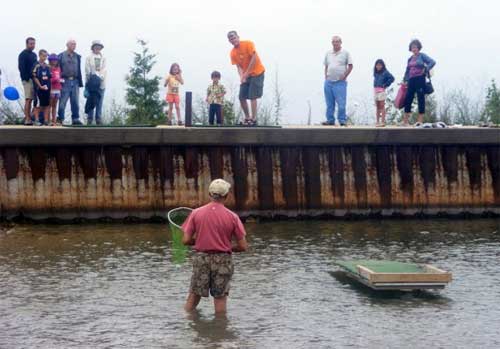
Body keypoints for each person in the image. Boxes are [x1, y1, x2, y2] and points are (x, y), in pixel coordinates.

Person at [182, 179, 248, 314]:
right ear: (226, 196)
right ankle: (220, 331)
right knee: (220, 298)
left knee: (194, 295)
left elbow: (186, 240)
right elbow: (243, 246)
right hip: (223, 259)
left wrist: (200, 240)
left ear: (209, 194)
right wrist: (227, 246)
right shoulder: (233, 217)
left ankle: (188, 324)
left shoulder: (196, 213)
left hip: (202, 259)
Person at [227, 31, 265, 126]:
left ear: (238, 37)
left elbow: (254, 58)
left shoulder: (248, 44)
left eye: (234, 37)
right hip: (246, 75)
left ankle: (253, 118)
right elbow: (238, 66)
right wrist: (241, 77)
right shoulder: (232, 53)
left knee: (253, 96)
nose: (233, 40)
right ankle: (247, 117)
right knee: (241, 96)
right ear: (229, 41)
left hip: (257, 72)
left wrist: (246, 73)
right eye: (231, 39)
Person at [403, 39, 436, 126]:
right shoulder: (410, 59)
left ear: (418, 48)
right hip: (411, 80)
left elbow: (432, 62)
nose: (414, 49)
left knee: (420, 98)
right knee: (408, 98)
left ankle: (420, 121)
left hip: (420, 79)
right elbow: (407, 70)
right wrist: (405, 80)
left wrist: (426, 69)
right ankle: (405, 121)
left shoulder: (422, 56)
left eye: (415, 47)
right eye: (412, 47)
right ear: (410, 48)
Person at [323, 36, 353, 126]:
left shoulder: (345, 53)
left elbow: (350, 66)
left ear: (340, 42)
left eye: (337, 41)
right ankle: (330, 120)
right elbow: (326, 66)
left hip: (340, 83)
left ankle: (342, 120)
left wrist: (345, 75)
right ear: (332, 43)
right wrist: (326, 76)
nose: (335, 43)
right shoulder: (328, 53)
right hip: (329, 82)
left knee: (341, 103)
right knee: (329, 103)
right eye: (334, 41)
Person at [57, 39, 83, 125]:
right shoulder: (61, 56)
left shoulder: (77, 56)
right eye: (72, 44)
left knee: (75, 101)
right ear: (67, 45)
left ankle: (75, 119)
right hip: (65, 80)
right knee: (62, 102)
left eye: (75, 44)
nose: (74, 46)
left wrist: (80, 81)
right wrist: (59, 81)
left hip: (75, 81)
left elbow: (79, 69)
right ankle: (60, 118)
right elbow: (57, 68)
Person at [85, 40, 107, 125]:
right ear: (93, 47)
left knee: (100, 101)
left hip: (101, 83)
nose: (97, 48)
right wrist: (89, 81)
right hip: (92, 83)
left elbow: (104, 69)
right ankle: (89, 119)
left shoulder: (103, 58)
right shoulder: (89, 57)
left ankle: (98, 119)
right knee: (91, 100)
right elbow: (87, 70)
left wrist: (99, 78)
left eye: (99, 46)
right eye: (96, 46)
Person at [18, 37, 38, 125]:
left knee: (34, 99)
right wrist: (26, 78)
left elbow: (36, 66)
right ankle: (27, 118)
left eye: (34, 43)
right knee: (28, 99)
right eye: (31, 43)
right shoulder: (23, 54)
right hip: (27, 80)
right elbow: (21, 68)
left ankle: (31, 117)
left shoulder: (34, 55)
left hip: (34, 80)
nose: (32, 45)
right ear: (27, 44)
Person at [32, 50, 51, 126]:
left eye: (46, 56)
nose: (45, 57)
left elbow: (50, 77)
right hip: (38, 89)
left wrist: (49, 87)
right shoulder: (36, 65)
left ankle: (46, 121)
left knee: (46, 105)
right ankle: (36, 120)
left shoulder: (48, 66)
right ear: (39, 55)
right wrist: (40, 86)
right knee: (37, 105)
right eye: (43, 56)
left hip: (47, 89)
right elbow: (34, 77)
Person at [373, 59, 395, 127]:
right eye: (377, 65)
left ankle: (383, 121)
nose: (378, 66)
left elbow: (392, 78)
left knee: (382, 106)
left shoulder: (385, 72)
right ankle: (377, 121)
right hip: (375, 90)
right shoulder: (375, 73)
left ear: (382, 65)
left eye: (380, 65)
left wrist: (385, 85)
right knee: (377, 106)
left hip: (382, 90)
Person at [48, 54, 62, 126]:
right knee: (49, 105)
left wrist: (60, 80)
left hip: (58, 88)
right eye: (53, 60)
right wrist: (54, 79)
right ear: (50, 60)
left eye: (56, 60)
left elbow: (59, 77)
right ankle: (48, 120)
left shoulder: (58, 68)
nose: (54, 61)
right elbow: (47, 79)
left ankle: (54, 120)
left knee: (55, 105)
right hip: (51, 88)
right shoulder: (48, 68)